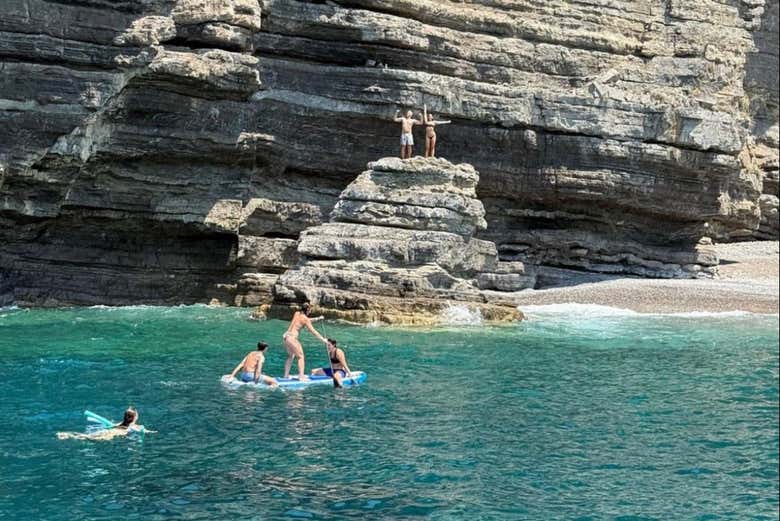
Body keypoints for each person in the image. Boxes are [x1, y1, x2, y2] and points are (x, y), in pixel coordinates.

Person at [282, 303, 327, 381]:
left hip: (286, 336)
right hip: (292, 338)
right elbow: (313, 332)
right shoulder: (305, 319)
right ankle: (301, 376)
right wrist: (323, 339)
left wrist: (318, 318)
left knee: (291, 356)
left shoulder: (297, 313)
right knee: (301, 357)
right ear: (307, 310)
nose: (310, 312)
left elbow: (306, 320)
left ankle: (286, 376)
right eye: (310, 310)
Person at [57, 407, 154, 441]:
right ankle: (69, 436)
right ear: (134, 418)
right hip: (114, 434)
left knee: (88, 436)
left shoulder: (120, 422)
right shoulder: (133, 426)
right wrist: (152, 432)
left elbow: (111, 425)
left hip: (110, 430)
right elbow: (143, 431)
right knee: (90, 438)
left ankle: (68, 434)